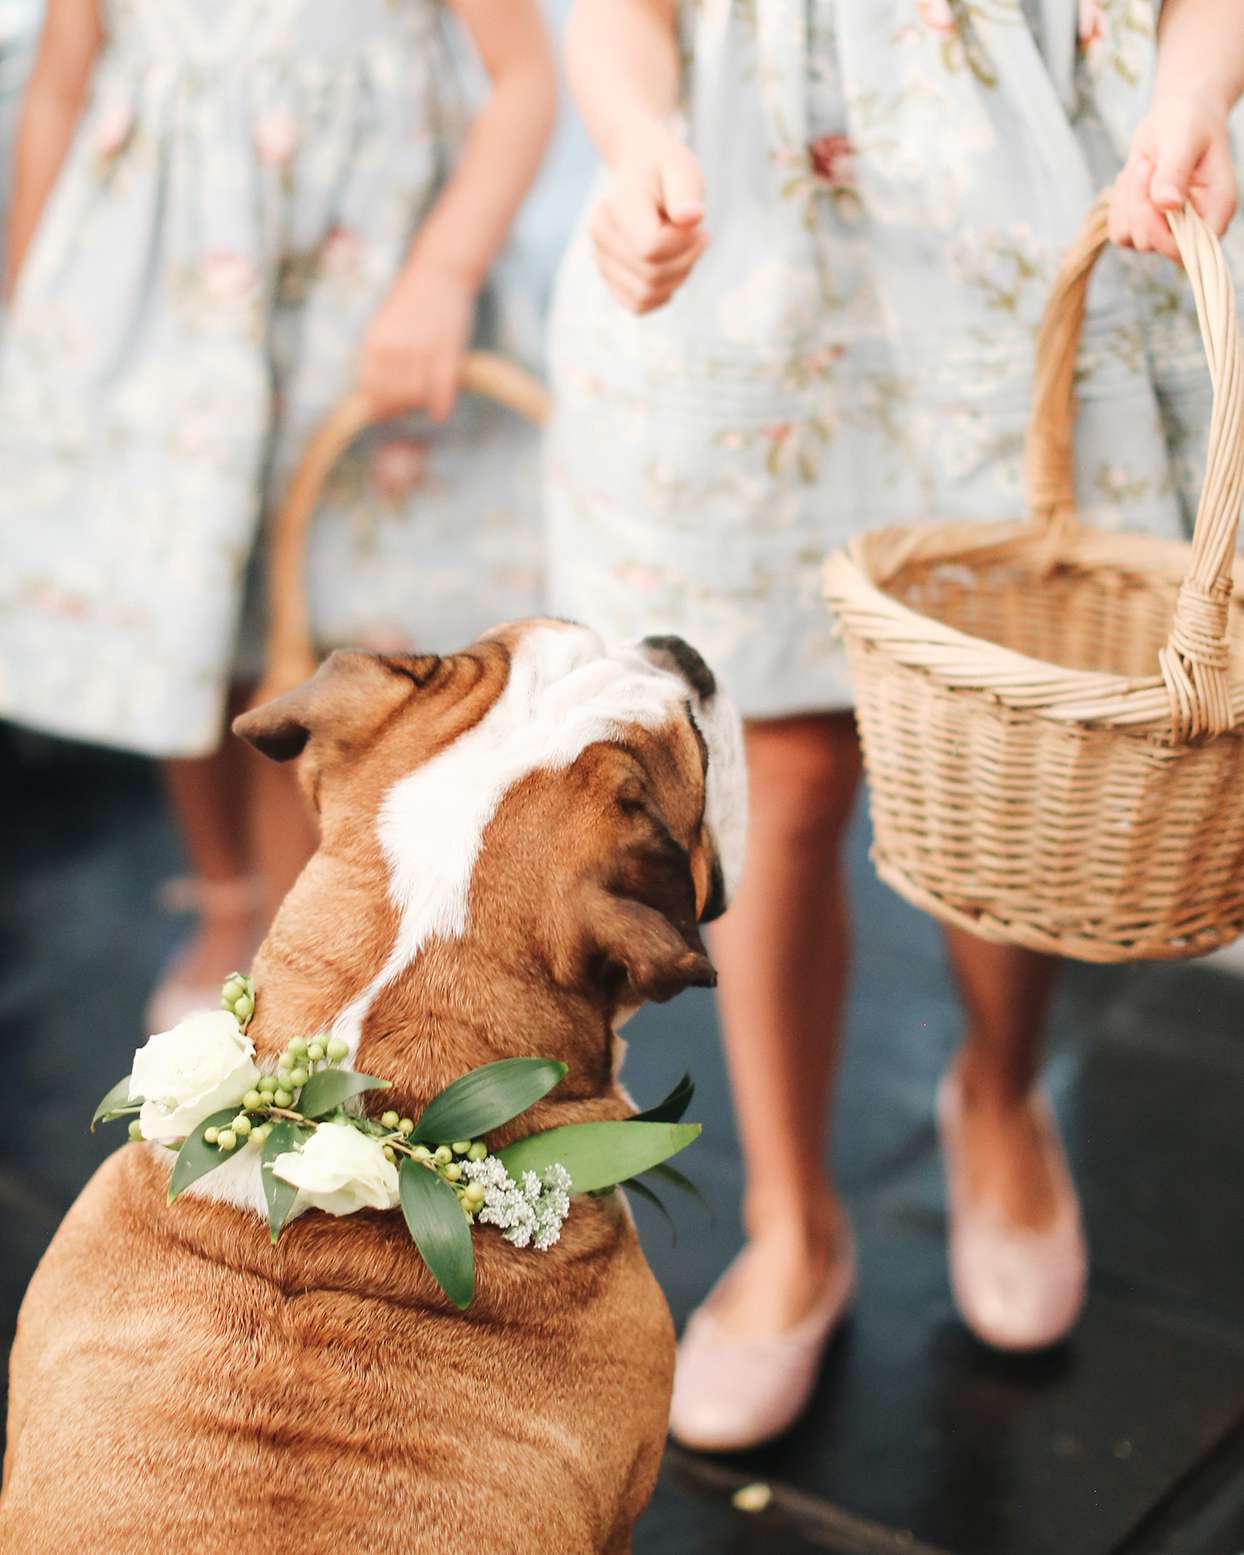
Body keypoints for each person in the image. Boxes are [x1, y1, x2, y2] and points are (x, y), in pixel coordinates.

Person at [547, 0, 1244, 1450]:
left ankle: (997, 1095)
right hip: (758, 245)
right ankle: (791, 1217)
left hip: (1030, 220)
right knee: (774, 774)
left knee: (1007, 731)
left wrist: (1196, 94)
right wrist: (635, 144)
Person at [0, 0, 556, 1027]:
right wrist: (29, 299)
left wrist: (441, 276)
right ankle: (226, 895)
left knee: (320, 641)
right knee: (193, 613)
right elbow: (60, 83)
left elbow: (524, 78)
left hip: (360, 299)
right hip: (159, 305)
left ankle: (293, 936)